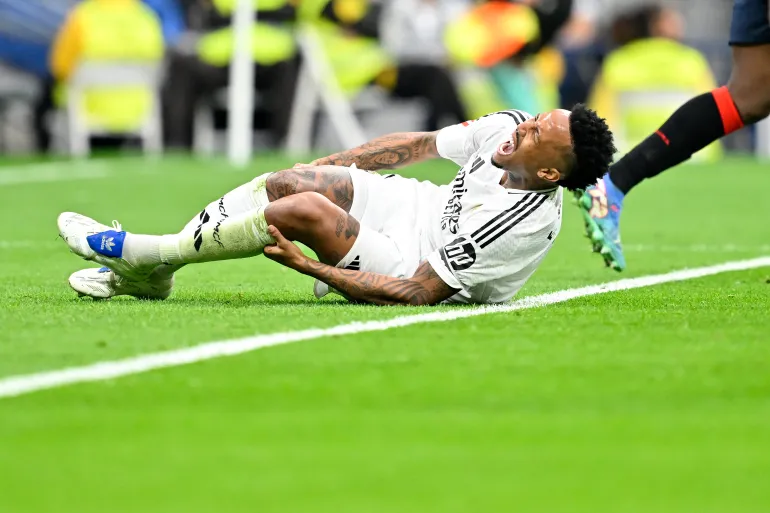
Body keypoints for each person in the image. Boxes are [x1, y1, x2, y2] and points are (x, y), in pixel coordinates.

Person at [57, 104, 615, 306]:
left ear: (548, 173)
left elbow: (419, 291)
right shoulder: (507, 128)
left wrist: (314, 267)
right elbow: (419, 146)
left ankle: (145, 253)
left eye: (536, 134)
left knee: (303, 212)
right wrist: (328, 166)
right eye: (535, 119)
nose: (522, 128)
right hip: (418, 206)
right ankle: (154, 274)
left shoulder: (515, 225)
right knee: (290, 182)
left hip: (413, 264)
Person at [576, 0, 770, 271]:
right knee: (751, 95)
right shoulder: (685, 60)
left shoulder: (623, 61)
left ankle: (614, 183)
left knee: (751, 95)